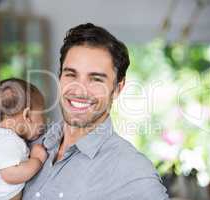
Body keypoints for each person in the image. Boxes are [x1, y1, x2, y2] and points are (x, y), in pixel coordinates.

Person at [22, 23, 170, 200]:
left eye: (96, 79)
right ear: (60, 76)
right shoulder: (29, 143)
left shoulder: (133, 172)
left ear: (117, 89)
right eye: (71, 74)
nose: (79, 90)